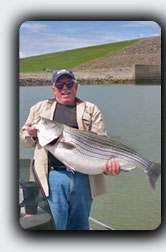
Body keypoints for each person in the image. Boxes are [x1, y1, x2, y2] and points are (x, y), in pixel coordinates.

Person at [20, 69, 121, 230]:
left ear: (76, 87)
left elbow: (101, 142)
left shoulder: (91, 109)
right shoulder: (38, 109)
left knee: (80, 225)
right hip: (52, 177)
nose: (64, 88)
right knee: (56, 225)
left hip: (84, 178)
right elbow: (25, 140)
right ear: (54, 89)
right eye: (60, 85)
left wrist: (109, 167)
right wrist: (32, 134)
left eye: (69, 83)